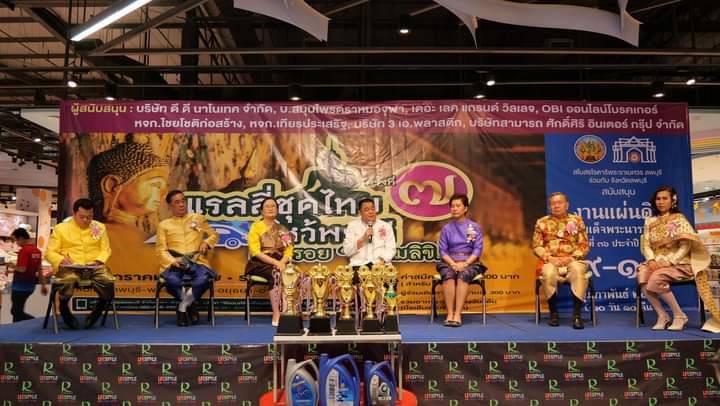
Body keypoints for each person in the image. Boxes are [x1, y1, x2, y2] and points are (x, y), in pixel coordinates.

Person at [638, 186, 720, 332]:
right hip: (656, 261)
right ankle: (662, 315)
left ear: (673, 201)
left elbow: (685, 245)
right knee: (642, 276)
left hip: (679, 263)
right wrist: (651, 260)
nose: (661, 202)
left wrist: (670, 261)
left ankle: (679, 315)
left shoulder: (679, 219)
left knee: (656, 278)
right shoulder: (650, 221)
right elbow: (646, 245)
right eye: (658, 199)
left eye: (665, 198)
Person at [45, 198, 114, 330]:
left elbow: (106, 249)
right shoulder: (61, 229)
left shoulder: (99, 227)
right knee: (68, 280)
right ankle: (64, 308)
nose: (86, 220)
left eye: (89, 217)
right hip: (69, 267)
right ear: (74, 213)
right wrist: (61, 260)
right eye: (82, 217)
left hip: (94, 266)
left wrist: (98, 260)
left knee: (108, 280)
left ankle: (98, 310)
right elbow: (49, 252)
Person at [155, 190, 219, 327]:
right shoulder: (164, 225)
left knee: (203, 279)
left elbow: (214, 234)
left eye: (183, 201)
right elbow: (161, 250)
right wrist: (173, 261)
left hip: (196, 261)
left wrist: (206, 242)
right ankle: (192, 304)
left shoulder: (198, 219)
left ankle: (182, 308)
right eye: (177, 202)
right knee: (171, 281)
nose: (181, 204)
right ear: (170, 206)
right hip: (175, 261)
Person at [532, 192, 590, 329]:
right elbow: (536, 246)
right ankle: (554, 314)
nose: (556, 206)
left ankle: (577, 315)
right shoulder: (542, 222)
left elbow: (584, 245)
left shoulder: (577, 221)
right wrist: (549, 258)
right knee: (548, 273)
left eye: (559, 203)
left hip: (572, 260)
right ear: (549, 206)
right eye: (553, 203)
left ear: (567, 205)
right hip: (551, 261)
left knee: (577, 270)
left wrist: (571, 258)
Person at [436, 194, 485, 327]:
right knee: (448, 275)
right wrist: (452, 263)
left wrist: (466, 263)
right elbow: (442, 251)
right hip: (449, 262)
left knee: (463, 275)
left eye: (458, 206)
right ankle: (449, 314)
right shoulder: (446, 228)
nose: (455, 209)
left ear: (465, 208)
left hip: (470, 262)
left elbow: (477, 249)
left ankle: (457, 314)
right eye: (452, 206)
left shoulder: (474, 227)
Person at [246, 197, 294, 326]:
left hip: (280, 262)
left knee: (293, 274)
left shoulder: (282, 229)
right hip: (259, 263)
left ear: (277, 210)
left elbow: (289, 251)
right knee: (276, 274)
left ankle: (288, 312)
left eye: (273, 206)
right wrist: (276, 263)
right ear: (262, 211)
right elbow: (255, 251)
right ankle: (276, 313)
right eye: (267, 206)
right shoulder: (256, 227)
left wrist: (282, 262)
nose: (270, 208)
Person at [342, 197, 397, 284]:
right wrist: (363, 238)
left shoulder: (385, 226)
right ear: (360, 213)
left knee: (390, 280)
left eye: (373, 208)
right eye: (367, 210)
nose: (371, 212)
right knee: (353, 279)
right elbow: (347, 251)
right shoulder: (352, 226)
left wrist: (382, 260)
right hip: (359, 266)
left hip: (381, 265)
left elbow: (391, 248)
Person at [8, 228, 48, 322]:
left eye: (16, 240)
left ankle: (34, 322)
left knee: (16, 311)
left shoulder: (24, 251)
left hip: (19, 286)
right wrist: (43, 285)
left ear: (21, 238)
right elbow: (39, 269)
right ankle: (19, 327)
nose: (16, 243)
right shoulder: (37, 251)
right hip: (30, 286)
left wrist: (11, 266)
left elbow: (22, 269)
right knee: (17, 311)